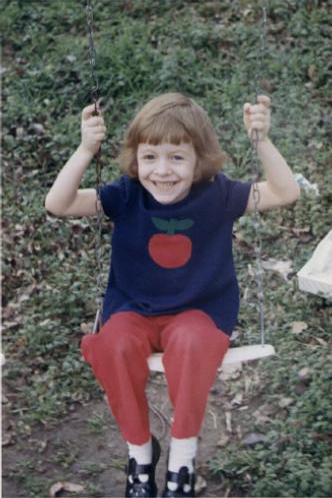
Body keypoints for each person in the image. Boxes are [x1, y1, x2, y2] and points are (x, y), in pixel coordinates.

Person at [45, 92, 300, 497]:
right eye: (150, 157)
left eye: (177, 158)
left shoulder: (218, 195)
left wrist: (262, 141)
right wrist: (85, 149)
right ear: (136, 159)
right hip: (133, 310)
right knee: (112, 346)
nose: (162, 171)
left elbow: (284, 193)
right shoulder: (127, 196)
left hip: (198, 312)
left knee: (192, 343)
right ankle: (140, 453)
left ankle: (182, 458)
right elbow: (59, 204)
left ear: (199, 160)